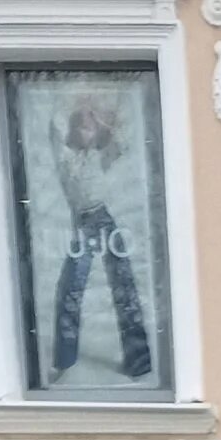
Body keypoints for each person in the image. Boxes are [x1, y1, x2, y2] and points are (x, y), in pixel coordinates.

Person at [50, 91, 154, 384]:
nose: (87, 131)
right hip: (84, 221)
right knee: (72, 288)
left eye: (91, 127)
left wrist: (101, 114)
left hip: (103, 218)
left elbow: (122, 136)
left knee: (125, 286)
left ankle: (139, 361)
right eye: (82, 126)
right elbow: (56, 125)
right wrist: (78, 101)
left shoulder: (100, 155)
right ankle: (64, 359)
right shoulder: (66, 157)